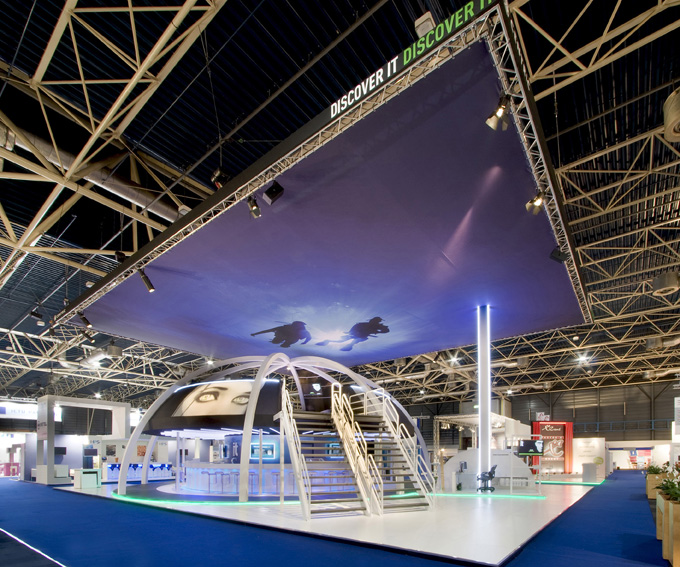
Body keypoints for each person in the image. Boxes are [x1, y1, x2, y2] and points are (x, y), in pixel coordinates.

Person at [316, 316, 389, 351]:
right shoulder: (364, 324)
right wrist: (351, 332)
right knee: (343, 341)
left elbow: (386, 330)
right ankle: (328, 341)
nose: (376, 322)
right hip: (356, 334)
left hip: (360, 335)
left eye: (377, 321)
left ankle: (330, 341)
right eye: (377, 321)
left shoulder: (377, 326)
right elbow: (356, 326)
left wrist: (379, 331)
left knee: (355, 340)